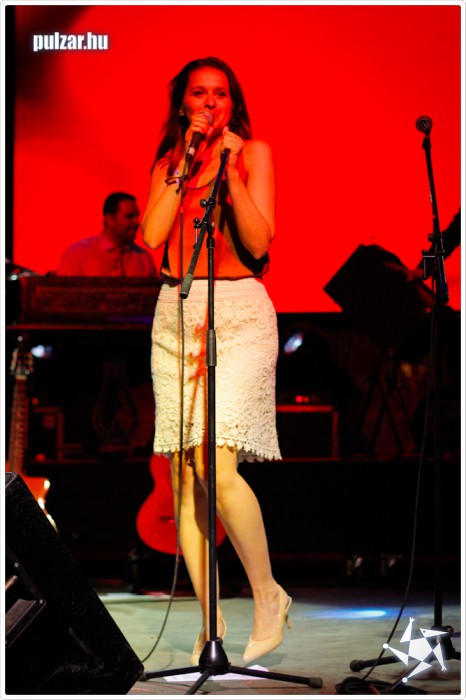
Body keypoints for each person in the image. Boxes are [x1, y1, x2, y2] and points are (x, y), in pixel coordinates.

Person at [141, 57, 290, 664]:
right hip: (176, 315)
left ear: (233, 104)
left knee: (215, 466)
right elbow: (153, 236)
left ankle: (268, 594)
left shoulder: (254, 154)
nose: (210, 102)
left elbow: (259, 240)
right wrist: (183, 167)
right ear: (183, 104)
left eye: (220, 94)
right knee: (183, 474)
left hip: (239, 313)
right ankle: (211, 626)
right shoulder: (168, 164)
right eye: (199, 93)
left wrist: (229, 174)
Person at [57, 192, 157, 276]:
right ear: (109, 219)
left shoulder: (144, 259)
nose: (137, 222)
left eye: (137, 216)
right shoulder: (77, 255)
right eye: (129, 217)